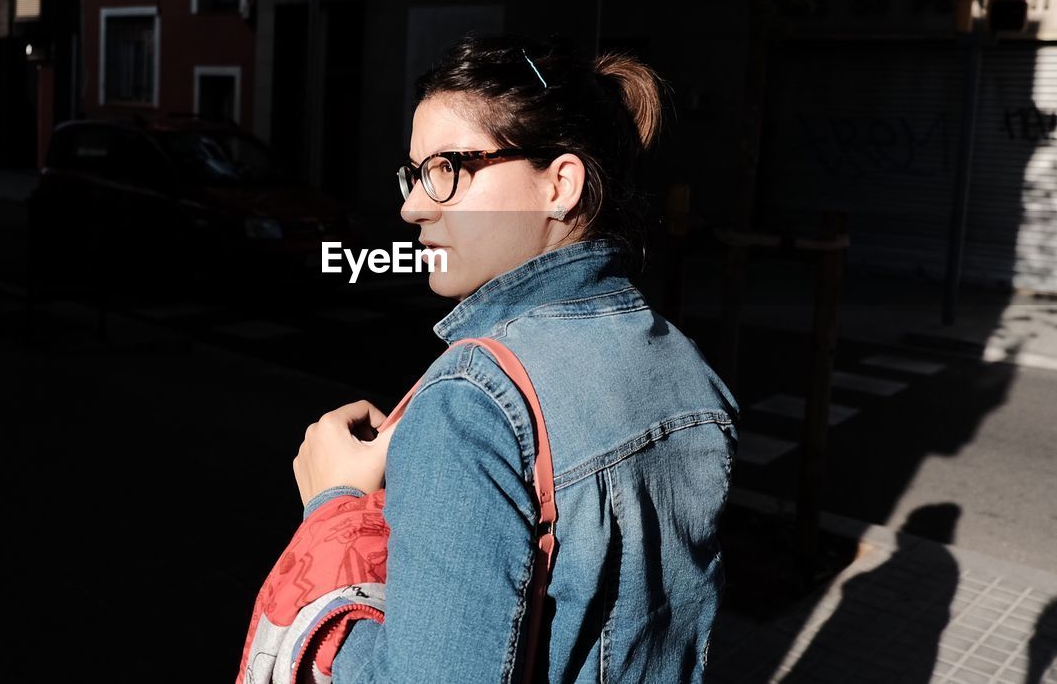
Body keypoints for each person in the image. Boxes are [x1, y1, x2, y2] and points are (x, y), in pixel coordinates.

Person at [290, 34, 740, 683]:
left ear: (560, 183)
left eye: (447, 169)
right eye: (414, 173)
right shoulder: (682, 359)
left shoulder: (471, 402)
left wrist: (332, 509)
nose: (413, 204)